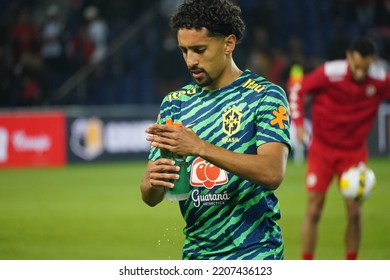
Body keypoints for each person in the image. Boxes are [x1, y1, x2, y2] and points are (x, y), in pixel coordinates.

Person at [140, 0, 291, 260]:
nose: (191, 61)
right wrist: (152, 180)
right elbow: (150, 196)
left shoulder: (265, 96)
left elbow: (272, 172)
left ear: (228, 44)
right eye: (184, 51)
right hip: (197, 256)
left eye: (199, 49)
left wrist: (199, 147)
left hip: (255, 252)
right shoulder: (175, 103)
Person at [290, 36, 390, 260]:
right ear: (348, 58)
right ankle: (306, 265)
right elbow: (299, 89)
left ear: (372, 62)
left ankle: (350, 266)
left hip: (353, 154)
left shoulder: (380, 79)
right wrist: (297, 123)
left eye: (365, 68)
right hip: (322, 150)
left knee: (354, 212)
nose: (360, 73)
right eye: (356, 66)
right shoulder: (329, 73)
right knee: (314, 209)